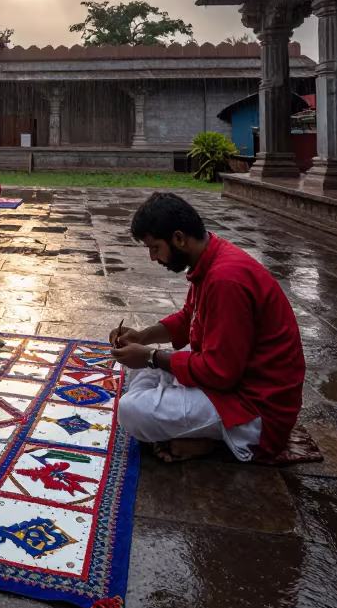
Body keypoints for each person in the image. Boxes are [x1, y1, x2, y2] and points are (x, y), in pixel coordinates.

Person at [111, 192, 305, 463]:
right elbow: (188, 317)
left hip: (254, 406)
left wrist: (150, 357)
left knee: (131, 411)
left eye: (155, 248)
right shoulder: (211, 258)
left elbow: (221, 374)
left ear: (178, 238)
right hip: (233, 378)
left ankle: (219, 441)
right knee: (141, 370)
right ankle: (196, 428)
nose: (153, 258)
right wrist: (143, 337)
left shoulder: (226, 281)